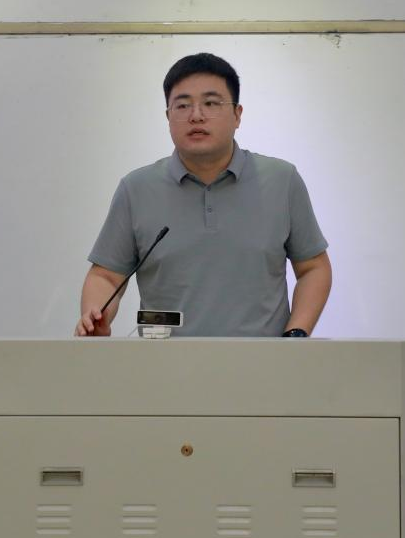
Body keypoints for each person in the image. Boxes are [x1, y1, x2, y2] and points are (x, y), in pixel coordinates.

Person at [75, 53, 332, 337]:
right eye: (182, 105)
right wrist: (95, 314)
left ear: (237, 115)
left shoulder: (282, 180)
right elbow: (106, 276)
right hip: (164, 361)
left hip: (263, 360)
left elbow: (313, 268)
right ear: (168, 117)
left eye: (211, 103)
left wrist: (296, 333)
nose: (196, 115)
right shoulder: (136, 188)